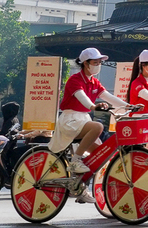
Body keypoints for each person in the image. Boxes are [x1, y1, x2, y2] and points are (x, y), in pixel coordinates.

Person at [53, 48, 132, 188]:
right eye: (95, 62)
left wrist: (129, 106)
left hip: (83, 119)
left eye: (99, 62)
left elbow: (108, 97)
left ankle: (78, 186)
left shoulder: (94, 82)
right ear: (85, 63)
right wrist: (93, 107)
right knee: (98, 126)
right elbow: (82, 97)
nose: (98, 65)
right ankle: (75, 160)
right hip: (70, 119)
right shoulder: (74, 80)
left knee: (100, 154)